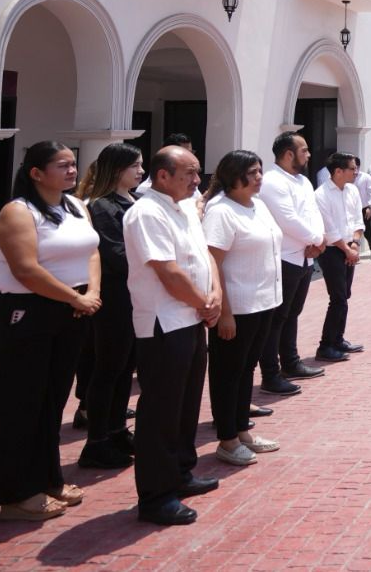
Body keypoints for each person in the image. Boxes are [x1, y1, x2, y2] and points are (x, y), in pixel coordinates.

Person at [0, 142, 100, 521]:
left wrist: (91, 292)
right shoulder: (18, 213)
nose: (72, 170)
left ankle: (47, 478)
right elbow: (26, 270)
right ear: (36, 172)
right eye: (62, 165)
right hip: (27, 313)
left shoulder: (75, 205)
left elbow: (92, 251)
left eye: (73, 164)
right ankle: (16, 494)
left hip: (71, 311)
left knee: (50, 401)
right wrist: (74, 298)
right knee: (19, 403)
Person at [122, 146, 219, 526]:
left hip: (191, 319)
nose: (198, 181)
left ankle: (180, 472)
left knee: (186, 406)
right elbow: (168, 272)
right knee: (161, 412)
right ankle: (156, 495)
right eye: (190, 174)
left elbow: (204, 255)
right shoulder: (146, 213)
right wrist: (204, 303)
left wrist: (214, 297)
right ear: (163, 176)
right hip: (165, 323)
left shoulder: (182, 206)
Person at [200, 150, 283, 469]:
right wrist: (225, 312)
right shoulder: (221, 211)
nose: (260, 177)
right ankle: (227, 438)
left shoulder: (258, 205)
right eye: (253, 172)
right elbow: (214, 264)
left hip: (264, 303)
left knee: (246, 369)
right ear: (234, 175)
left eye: (261, 170)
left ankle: (242, 430)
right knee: (227, 373)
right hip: (238, 306)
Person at [74, 143, 142, 471]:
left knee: (124, 371)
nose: (141, 172)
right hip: (115, 298)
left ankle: (116, 431)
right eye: (135, 166)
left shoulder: (136, 201)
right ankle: (97, 441)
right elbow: (116, 256)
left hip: (136, 297)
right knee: (108, 370)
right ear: (117, 170)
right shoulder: (101, 206)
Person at [257, 133, 325, 397]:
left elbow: (313, 213)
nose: (308, 155)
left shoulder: (303, 181)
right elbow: (288, 219)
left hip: (305, 256)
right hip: (284, 257)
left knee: (292, 313)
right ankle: (270, 374)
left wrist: (318, 242)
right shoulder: (273, 182)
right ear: (288, 154)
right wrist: (317, 239)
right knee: (276, 319)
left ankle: (291, 362)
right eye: (304, 150)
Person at [314, 153, 364, 362]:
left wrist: (354, 243)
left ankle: (338, 339)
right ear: (338, 171)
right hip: (333, 251)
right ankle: (325, 346)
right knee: (338, 298)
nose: (356, 172)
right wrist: (346, 250)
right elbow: (330, 230)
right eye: (352, 168)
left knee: (345, 295)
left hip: (349, 247)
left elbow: (357, 220)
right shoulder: (321, 195)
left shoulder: (352, 190)